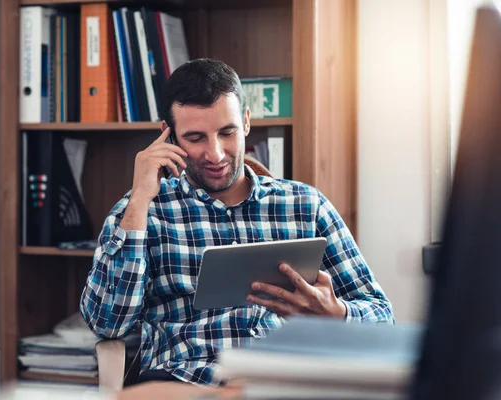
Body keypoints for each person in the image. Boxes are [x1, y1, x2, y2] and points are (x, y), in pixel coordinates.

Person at [80, 58, 394, 387]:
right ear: (168, 136)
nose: (215, 154)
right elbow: (107, 324)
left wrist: (336, 312)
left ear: (246, 122)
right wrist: (141, 198)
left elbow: (382, 318)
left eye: (226, 132)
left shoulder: (306, 205)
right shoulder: (140, 211)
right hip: (188, 382)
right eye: (196, 138)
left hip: (284, 382)